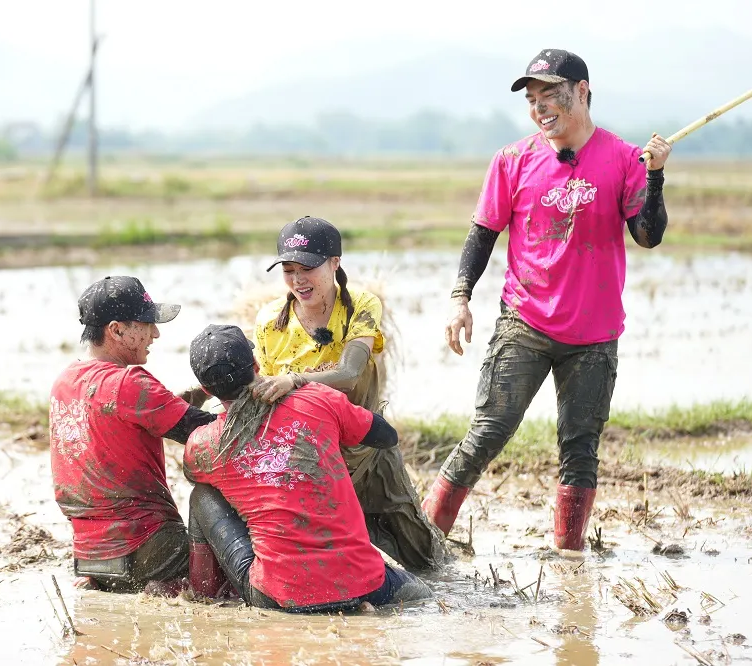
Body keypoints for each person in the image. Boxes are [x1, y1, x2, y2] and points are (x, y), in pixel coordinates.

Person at [421, 49, 673, 551]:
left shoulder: (624, 158)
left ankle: (568, 562)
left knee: (580, 450)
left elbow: (648, 236)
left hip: (595, 335)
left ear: (581, 92)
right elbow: (483, 233)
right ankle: (422, 539)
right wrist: (459, 298)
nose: (539, 109)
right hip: (526, 321)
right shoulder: (513, 160)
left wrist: (655, 176)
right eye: (532, 100)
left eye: (550, 96)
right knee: (487, 433)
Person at [181, 323, 434, 612]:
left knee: (202, 494)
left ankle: (203, 598)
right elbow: (387, 436)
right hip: (365, 585)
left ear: (206, 389)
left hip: (281, 596)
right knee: (422, 593)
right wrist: (303, 386)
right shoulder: (316, 399)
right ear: (256, 364)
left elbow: (195, 475)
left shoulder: (203, 445)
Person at [248, 215, 447, 572]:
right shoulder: (267, 322)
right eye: (289, 270)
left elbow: (351, 373)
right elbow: (260, 388)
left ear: (335, 263)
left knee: (420, 549)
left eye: (308, 268)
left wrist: (294, 380)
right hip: (308, 458)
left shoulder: (360, 305)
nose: (298, 280)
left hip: (367, 445)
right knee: (323, 550)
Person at [48, 275, 217, 594]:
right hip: (148, 547)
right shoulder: (129, 383)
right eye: (146, 323)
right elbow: (210, 432)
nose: (155, 333)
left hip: (91, 557)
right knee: (233, 572)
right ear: (116, 329)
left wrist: (192, 395)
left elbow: (117, 421)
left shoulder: (64, 381)